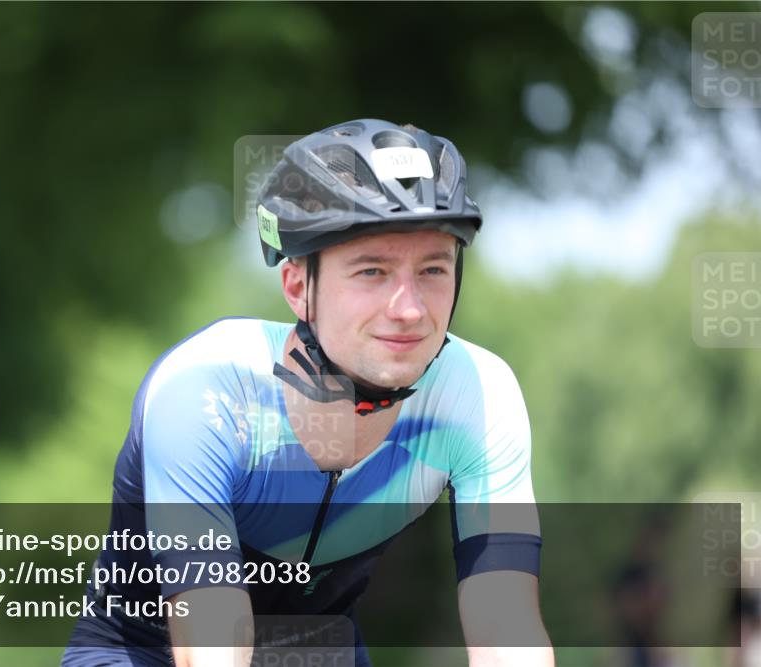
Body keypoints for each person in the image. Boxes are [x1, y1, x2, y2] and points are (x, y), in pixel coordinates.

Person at [62, 118, 554, 666]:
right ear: (299, 286)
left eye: (433, 270)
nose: (410, 308)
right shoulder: (205, 388)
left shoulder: (478, 395)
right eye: (372, 271)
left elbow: (506, 624)